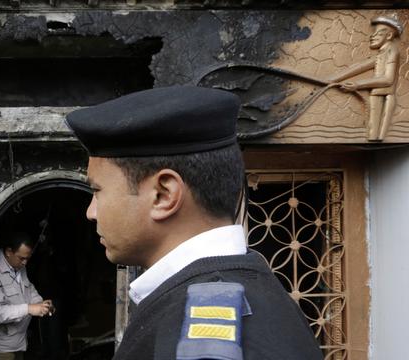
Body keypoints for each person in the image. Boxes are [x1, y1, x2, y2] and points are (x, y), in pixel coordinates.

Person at [65, 86, 323, 360]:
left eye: (97, 191)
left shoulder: (199, 335)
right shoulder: (264, 295)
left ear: (163, 195)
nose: (90, 212)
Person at [328, 14, 403, 141]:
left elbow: (388, 79)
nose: (372, 36)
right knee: (372, 135)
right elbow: (359, 68)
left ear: (389, 36)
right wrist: (332, 79)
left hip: (385, 98)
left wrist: (358, 84)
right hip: (376, 96)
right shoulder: (382, 53)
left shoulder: (392, 51)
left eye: (378, 33)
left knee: (377, 138)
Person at [0, 232, 54, 360]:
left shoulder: (18, 265)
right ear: (9, 252)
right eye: (22, 258)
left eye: (27, 259)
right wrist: (29, 309)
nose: (25, 263)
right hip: (2, 349)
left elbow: (28, 289)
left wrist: (41, 304)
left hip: (20, 343)